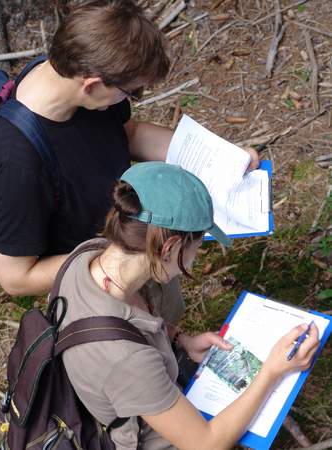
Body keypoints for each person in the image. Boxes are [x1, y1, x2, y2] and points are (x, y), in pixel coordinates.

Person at [0, 0, 258, 297]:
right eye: (130, 92)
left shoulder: (71, 73)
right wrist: (117, 256)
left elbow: (127, 134)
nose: (129, 100)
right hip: (97, 272)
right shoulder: (18, 163)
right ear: (91, 85)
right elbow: (17, 278)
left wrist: (221, 159)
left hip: (131, 233)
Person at [57, 161, 319, 450]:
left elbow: (132, 322)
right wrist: (272, 371)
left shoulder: (88, 256)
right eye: (197, 248)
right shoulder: (126, 358)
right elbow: (206, 443)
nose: (192, 262)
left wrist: (179, 338)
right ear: (170, 248)